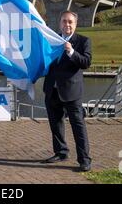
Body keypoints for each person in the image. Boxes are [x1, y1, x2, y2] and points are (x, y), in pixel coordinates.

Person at [42, 10, 92, 172]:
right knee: (55, 125)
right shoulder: (51, 40)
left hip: (71, 91)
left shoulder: (83, 41)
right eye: (64, 21)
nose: (67, 24)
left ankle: (84, 160)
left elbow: (86, 62)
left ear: (75, 24)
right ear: (60, 23)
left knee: (78, 126)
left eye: (70, 22)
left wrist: (71, 52)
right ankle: (61, 152)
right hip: (52, 90)